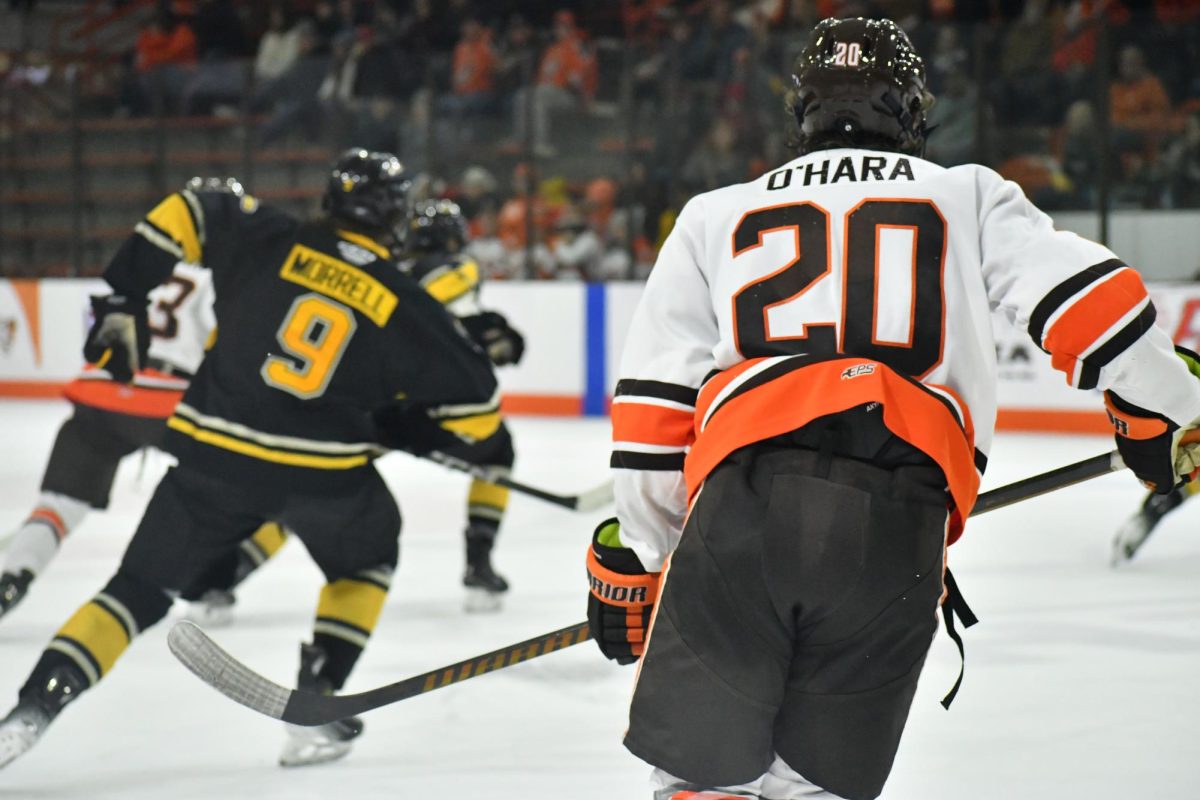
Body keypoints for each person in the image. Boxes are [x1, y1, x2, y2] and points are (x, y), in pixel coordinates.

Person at [583, 18, 1200, 800]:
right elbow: (1100, 314)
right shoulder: (965, 192)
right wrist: (1172, 405)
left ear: (800, 108)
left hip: (742, 510)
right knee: (811, 788)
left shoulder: (715, 213)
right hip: (897, 525)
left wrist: (639, 553)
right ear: (909, 107)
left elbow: (654, 408)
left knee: (697, 784)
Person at [0, 150, 500, 770]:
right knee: (365, 562)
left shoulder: (269, 235)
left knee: (132, 592)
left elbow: (189, 204)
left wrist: (124, 295)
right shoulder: (406, 302)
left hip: (214, 453)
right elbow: (478, 405)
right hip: (322, 475)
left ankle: (34, 706)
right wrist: (407, 425)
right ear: (396, 220)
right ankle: (317, 702)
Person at [188, 198, 525, 614]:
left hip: (369, 413)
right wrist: (494, 337)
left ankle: (223, 577)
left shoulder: (376, 269)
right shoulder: (455, 269)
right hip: (429, 415)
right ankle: (479, 562)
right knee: (499, 452)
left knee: (313, 486)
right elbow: (451, 326)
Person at [0, 178, 282, 623]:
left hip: (101, 395)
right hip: (172, 402)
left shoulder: (146, 253)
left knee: (60, 502)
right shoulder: (230, 270)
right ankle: (210, 584)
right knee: (231, 488)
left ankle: (15, 574)